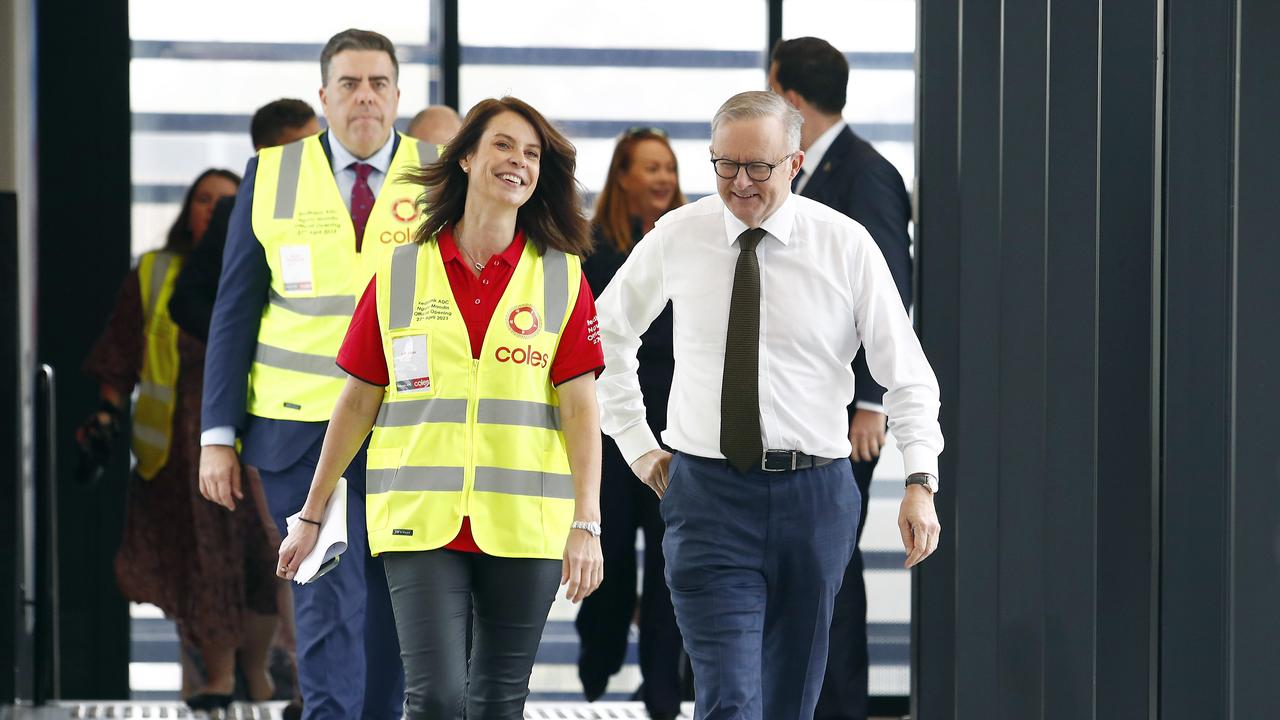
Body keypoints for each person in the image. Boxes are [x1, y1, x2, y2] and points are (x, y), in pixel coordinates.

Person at [595, 90, 944, 720]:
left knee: (791, 703)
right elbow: (603, 335)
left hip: (815, 498)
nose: (741, 183)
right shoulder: (681, 235)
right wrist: (637, 443)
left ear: (795, 162)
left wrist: (920, 478)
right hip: (707, 498)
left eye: (759, 166)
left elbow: (908, 373)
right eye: (725, 165)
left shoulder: (845, 244)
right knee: (728, 700)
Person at [277, 96, 605, 720]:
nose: (519, 162)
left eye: (533, 154)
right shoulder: (401, 273)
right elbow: (355, 402)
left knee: (498, 703)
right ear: (465, 158)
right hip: (419, 519)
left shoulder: (562, 278)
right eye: (504, 145)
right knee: (434, 698)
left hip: (525, 521)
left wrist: (586, 523)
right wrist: (313, 512)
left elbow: (582, 412)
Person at [198, 28, 442, 719]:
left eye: (378, 84)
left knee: (398, 598)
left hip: (410, 427)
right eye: (349, 84)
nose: (364, 97)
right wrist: (217, 433)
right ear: (324, 97)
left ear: (397, 95)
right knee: (326, 588)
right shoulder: (271, 175)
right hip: (298, 429)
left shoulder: (440, 175)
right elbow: (234, 310)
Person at [80, 168, 283, 712]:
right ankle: (213, 681)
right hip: (178, 454)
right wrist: (103, 416)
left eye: (225, 202)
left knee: (266, 561)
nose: (212, 211)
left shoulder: (266, 267)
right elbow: (121, 355)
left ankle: (258, 674)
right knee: (199, 564)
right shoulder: (156, 273)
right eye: (203, 200)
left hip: (256, 440)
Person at [768, 36, 915, 720]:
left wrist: (870, 400)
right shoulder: (808, 173)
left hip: (845, 415)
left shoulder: (863, 172)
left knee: (830, 564)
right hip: (806, 406)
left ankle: (838, 707)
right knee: (813, 563)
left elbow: (888, 292)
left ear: (791, 99)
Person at [575, 128, 686, 720]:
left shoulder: (693, 240)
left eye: (668, 167)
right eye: (650, 167)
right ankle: (600, 653)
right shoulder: (592, 247)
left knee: (671, 563)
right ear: (622, 175)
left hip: (678, 425)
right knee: (611, 552)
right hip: (610, 421)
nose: (663, 178)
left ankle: (663, 691)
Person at [169, 98, 321, 342]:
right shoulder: (236, 213)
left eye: (320, 143)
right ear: (264, 153)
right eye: (299, 147)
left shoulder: (344, 201)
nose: (317, 156)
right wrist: (238, 340)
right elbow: (187, 300)